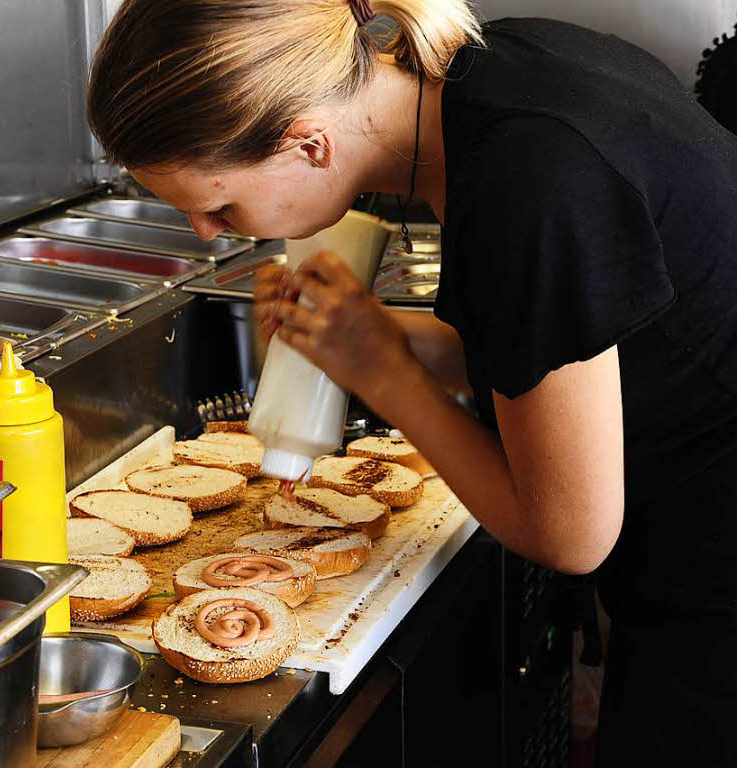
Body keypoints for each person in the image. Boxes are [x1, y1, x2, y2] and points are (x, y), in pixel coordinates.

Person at [86, 0, 737, 762]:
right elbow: (563, 351)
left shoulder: (527, 177)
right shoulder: (499, 72)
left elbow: (569, 534)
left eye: (220, 205)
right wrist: (384, 337)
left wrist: (386, 374)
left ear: (309, 142)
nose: (208, 231)